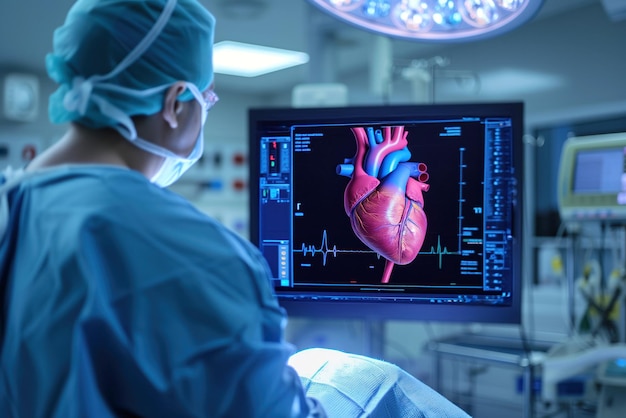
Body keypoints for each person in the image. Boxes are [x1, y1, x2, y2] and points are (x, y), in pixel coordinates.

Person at [0, 0, 471, 417]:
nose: (202, 111)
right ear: (174, 104)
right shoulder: (193, 253)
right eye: (205, 99)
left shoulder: (14, 212)